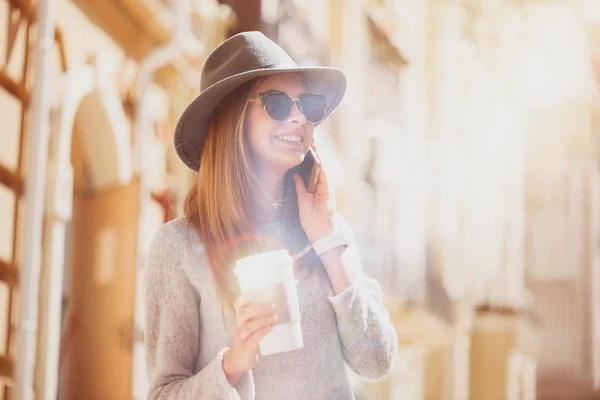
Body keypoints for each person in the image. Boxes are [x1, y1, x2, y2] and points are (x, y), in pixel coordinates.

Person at [145, 31, 398, 400]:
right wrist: (232, 364)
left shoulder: (329, 231)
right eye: (278, 104)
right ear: (232, 118)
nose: (299, 118)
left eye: (308, 105)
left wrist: (327, 241)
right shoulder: (179, 247)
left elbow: (377, 360)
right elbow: (162, 394)